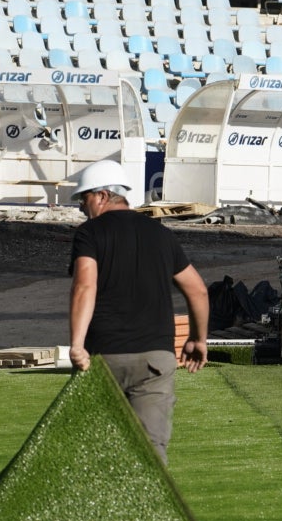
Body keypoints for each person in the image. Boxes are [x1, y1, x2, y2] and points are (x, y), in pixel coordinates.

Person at [67, 158, 210, 463]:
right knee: (151, 452)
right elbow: (197, 289)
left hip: (105, 357)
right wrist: (198, 338)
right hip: (155, 359)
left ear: (103, 196)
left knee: (99, 452)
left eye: (85, 198)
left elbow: (85, 287)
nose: (82, 207)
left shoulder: (89, 234)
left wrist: (77, 344)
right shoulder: (162, 235)